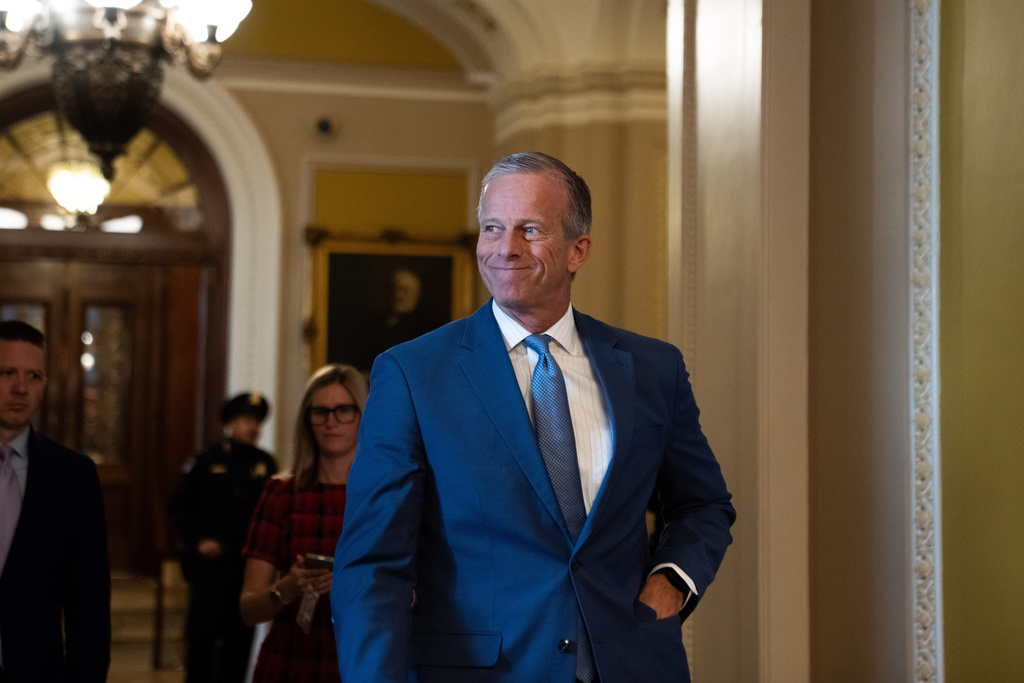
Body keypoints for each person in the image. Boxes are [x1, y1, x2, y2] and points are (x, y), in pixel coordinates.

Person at [331, 152, 736, 682]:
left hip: (634, 663)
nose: (506, 248)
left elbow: (703, 504)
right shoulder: (413, 374)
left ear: (578, 250)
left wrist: (671, 581)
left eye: (530, 230)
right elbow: (371, 566)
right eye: (493, 228)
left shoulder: (653, 368)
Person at [239, 364, 368, 683]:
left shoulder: (384, 495)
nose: (331, 422)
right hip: (291, 660)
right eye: (320, 412)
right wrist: (286, 588)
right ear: (307, 420)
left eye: (343, 410)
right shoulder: (281, 494)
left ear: (363, 415)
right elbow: (248, 608)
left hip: (361, 660)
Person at [0, 320, 111, 682]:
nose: (20, 388)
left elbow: (89, 600)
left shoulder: (73, 477)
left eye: (34, 376)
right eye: (7, 373)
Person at [169, 392, 277, 683]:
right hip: (210, 569)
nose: (252, 426)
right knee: (202, 642)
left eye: (256, 420)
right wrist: (198, 541)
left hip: (245, 568)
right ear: (231, 423)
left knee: (239, 643)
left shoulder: (266, 464)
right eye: (245, 420)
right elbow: (180, 506)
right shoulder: (206, 460)